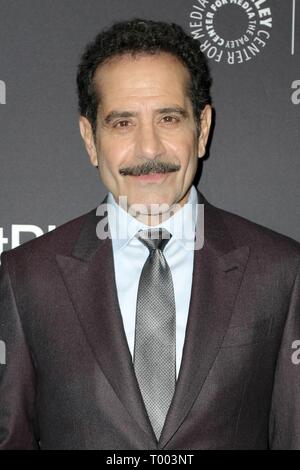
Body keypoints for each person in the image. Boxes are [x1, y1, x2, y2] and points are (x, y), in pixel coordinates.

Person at [0, 18, 299, 450]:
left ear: (203, 129)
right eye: (123, 123)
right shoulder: (26, 277)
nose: (149, 149)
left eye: (169, 118)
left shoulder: (282, 272)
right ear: (90, 139)